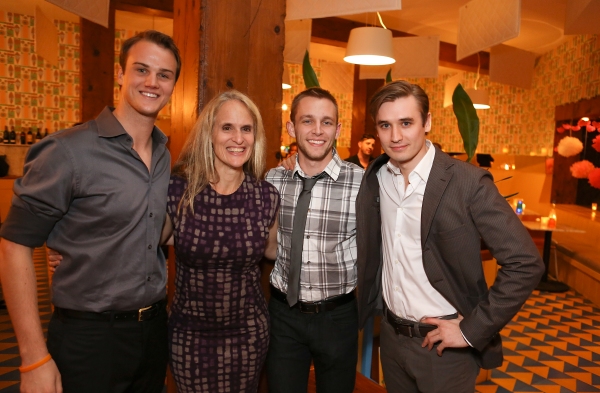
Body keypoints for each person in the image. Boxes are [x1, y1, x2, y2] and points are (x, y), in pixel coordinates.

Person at [0, 30, 181, 393]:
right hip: (89, 337)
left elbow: (152, 228)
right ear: (120, 74)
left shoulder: (164, 155)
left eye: (164, 75)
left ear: (174, 84)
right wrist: (33, 357)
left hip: (152, 331)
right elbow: (13, 246)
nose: (152, 82)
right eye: (141, 69)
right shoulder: (68, 151)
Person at [355, 80, 544, 393]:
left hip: (444, 347)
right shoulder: (376, 177)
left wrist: (471, 330)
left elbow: (525, 262)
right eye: (385, 125)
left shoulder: (467, 182)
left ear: (427, 122)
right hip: (390, 337)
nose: (396, 136)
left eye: (406, 123)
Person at [165, 90, 279, 392]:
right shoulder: (178, 191)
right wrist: (73, 248)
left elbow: (276, 251)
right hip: (189, 335)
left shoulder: (265, 196)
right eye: (227, 127)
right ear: (210, 133)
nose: (238, 138)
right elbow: (140, 242)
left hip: (248, 335)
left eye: (246, 128)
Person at [265, 87, 363, 393]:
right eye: (307, 121)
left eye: (327, 122)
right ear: (292, 128)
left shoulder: (362, 183)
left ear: (338, 129)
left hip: (338, 315)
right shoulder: (273, 179)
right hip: (283, 315)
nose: (318, 131)